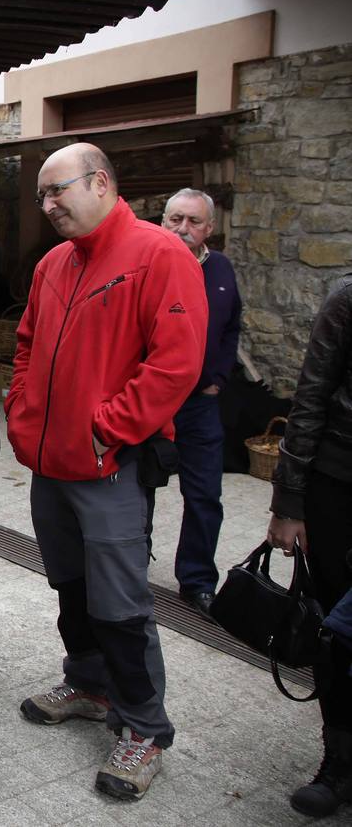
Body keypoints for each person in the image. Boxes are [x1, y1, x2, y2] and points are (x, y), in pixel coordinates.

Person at [5, 142, 207, 801]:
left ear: (100, 182)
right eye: (42, 194)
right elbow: (28, 340)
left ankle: (144, 728)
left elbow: (176, 364)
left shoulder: (160, 255)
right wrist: (24, 409)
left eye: (56, 190)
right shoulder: (54, 264)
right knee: (70, 586)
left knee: (120, 605)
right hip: (51, 462)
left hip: (110, 467)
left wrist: (104, 429)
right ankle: (89, 685)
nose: (48, 204)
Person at [267, 274, 352, 818]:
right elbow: (311, 396)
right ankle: (340, 764)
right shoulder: (347, 297)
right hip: (339, 488)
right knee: (339, 634)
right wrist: (290, 502)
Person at [162, 188, 242, 616]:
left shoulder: (223, 269)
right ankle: (129, 565)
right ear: (163, 220)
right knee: (138, 486)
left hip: (199, 404)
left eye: (193, 221)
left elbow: (233, 327)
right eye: (175, 219)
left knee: (206, 493)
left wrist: (219, 378)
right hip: (153, 399)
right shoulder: (148, 262)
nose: (183, 229)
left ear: (210, 228)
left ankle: (196, 580)